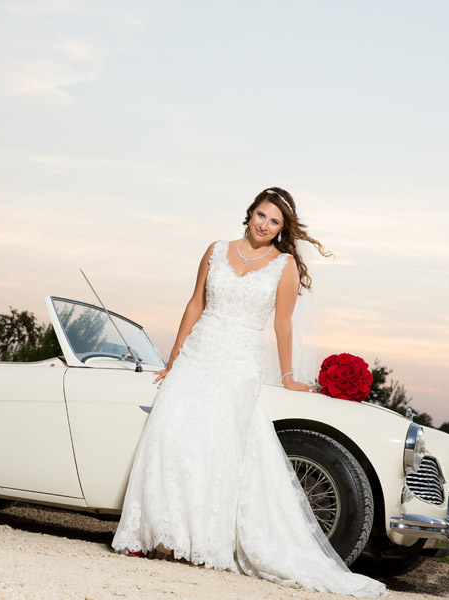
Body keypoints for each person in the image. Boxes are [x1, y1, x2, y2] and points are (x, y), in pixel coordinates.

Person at [111, 188, 387, 597]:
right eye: (261, 215)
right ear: (250, 213)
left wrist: (290, 375)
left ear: (282, 229)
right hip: (198, 352)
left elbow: (283, 324)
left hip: (239, 362)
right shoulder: (216, 249)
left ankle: (199, 540)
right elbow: (195, 303)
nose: (264, 225)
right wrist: (174, 357)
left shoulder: (284, 265)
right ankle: (158, 534)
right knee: (169, 432)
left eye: (274, 221)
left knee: (215, 444)